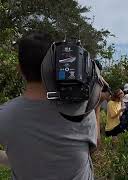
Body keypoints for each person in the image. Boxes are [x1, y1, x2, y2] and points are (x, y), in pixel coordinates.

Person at [0, 31, 98, 179]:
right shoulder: (81, 111)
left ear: (19, 69)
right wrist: (95, 102)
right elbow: (92, 147)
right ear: (53, 65)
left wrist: (16, 159)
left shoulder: (4, 115)